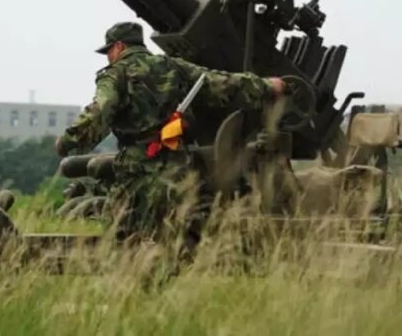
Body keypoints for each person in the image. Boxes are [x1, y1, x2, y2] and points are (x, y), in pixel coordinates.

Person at [55, 21, 287, 249]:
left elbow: (101, 112)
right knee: (181, 234)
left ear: (119, 46)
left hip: (138, 169)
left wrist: (68, 141)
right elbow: (220, 83)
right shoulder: (172, 66)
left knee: (124, 237)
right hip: (177, 164)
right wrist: (266, 86)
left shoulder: (116, 74)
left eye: (109, 51)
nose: (108, 57)